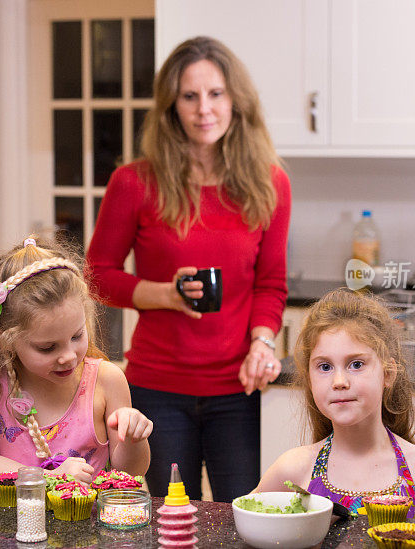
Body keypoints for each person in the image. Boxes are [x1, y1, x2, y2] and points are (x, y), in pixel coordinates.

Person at [85, 36, 290, 502]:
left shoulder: (270, 183)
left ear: (236, 100)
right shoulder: (134, 182)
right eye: (190, 96)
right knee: (173, 517)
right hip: (158, 388)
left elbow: (271, 283)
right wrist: (166, 294)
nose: (204, 109)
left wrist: (262, 341)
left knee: (242, 516)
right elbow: (97, 275)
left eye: (216, 94)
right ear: (170, 106)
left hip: (237, 389)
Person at [255, 289, 415, 519]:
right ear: (309, 378)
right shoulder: (293, 470)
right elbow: (240, 529)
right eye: (325, 367)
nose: (339, 382)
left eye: (356, 364)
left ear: (388, 373)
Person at [0, 237, 152, 483]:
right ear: (3, 339)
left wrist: (135, 439)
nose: (68, 356)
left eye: (77, 336)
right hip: (13, 520)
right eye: (47, 348)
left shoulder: (107, 380)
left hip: (87, 520)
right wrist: (49, 477)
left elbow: (130, 472)